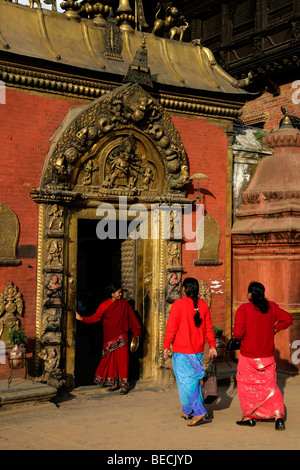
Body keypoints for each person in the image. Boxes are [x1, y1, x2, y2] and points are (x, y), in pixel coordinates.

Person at [233, 281, 293, 430]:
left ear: (249, 294)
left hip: (248, 357)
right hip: (267, 357)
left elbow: (238, 333)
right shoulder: (271, 307)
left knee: (246, 387)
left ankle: (249, 416)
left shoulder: (244, 309)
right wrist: (274, 329)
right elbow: (288, 319)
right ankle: (278, 416)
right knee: (270, 386)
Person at [163, 277, 217, 427]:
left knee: (186, 382)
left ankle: (199, 412)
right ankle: (187, 410)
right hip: (198, 351)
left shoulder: (178, 305)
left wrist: (166, 346)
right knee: (191, 381)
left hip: (182, 351)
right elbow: (209, 328)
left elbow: (171, 328)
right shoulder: (203, 305)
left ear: (184, 289)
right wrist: (212, 346)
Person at [76, 284, 141, 394]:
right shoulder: (104, 305)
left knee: (123, 360)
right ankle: (114, 383)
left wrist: (135, 333)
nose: (120, 294)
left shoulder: (124, 304)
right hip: (109, 336)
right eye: (118, 292)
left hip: (122, 336)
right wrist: (82, 318)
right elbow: (95, 318)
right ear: (112, 293)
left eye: (121, 292)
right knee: (111, 360)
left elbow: (132, 319)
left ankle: (124, 385)